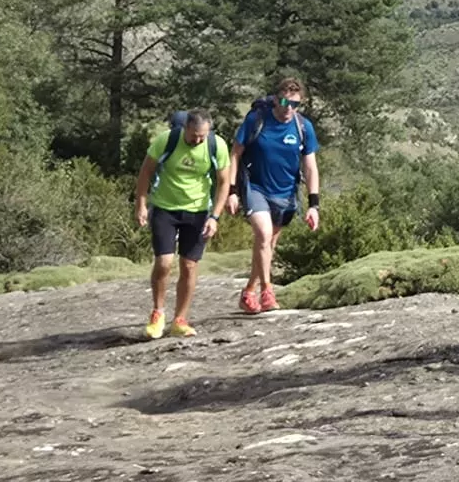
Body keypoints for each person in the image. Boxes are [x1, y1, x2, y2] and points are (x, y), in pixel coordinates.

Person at [132, 110, 233, 339]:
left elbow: (224, 183)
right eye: (195, 135)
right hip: (165, 208)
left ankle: (180, 319)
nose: (198, 140)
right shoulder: (166, 140)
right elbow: (145, 172)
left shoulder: (216, 145)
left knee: (189, 266)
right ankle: (158, 313)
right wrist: (141, 204)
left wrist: (214, 217)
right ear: (185, 128)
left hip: (197, 212)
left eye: (203, 136)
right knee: (164, 262)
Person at [227, 76, 321, 315]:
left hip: (285, 193)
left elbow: (310, 166)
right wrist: (231, 191)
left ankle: (249, 291)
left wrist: (313, 205)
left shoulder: (303, 127)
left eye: (295, 104)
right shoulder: (257, 120)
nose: (288, 108)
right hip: (255, 187)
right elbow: (235, 154)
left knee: (267, 245)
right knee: (263, 234)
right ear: (275, 99)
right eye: (283, 101)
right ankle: (267, 292)